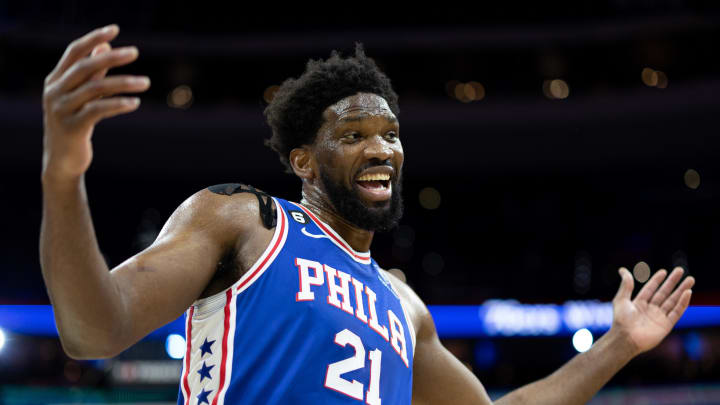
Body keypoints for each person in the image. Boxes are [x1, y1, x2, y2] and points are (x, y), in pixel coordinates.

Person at [40, 25, 695, 405]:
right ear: (303, 160)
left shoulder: (402, 304)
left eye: (390, 133)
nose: (380, 147)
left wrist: (621, 343)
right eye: (353, 135)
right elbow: (94, 328)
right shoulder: (244, 220)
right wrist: (64, 172)